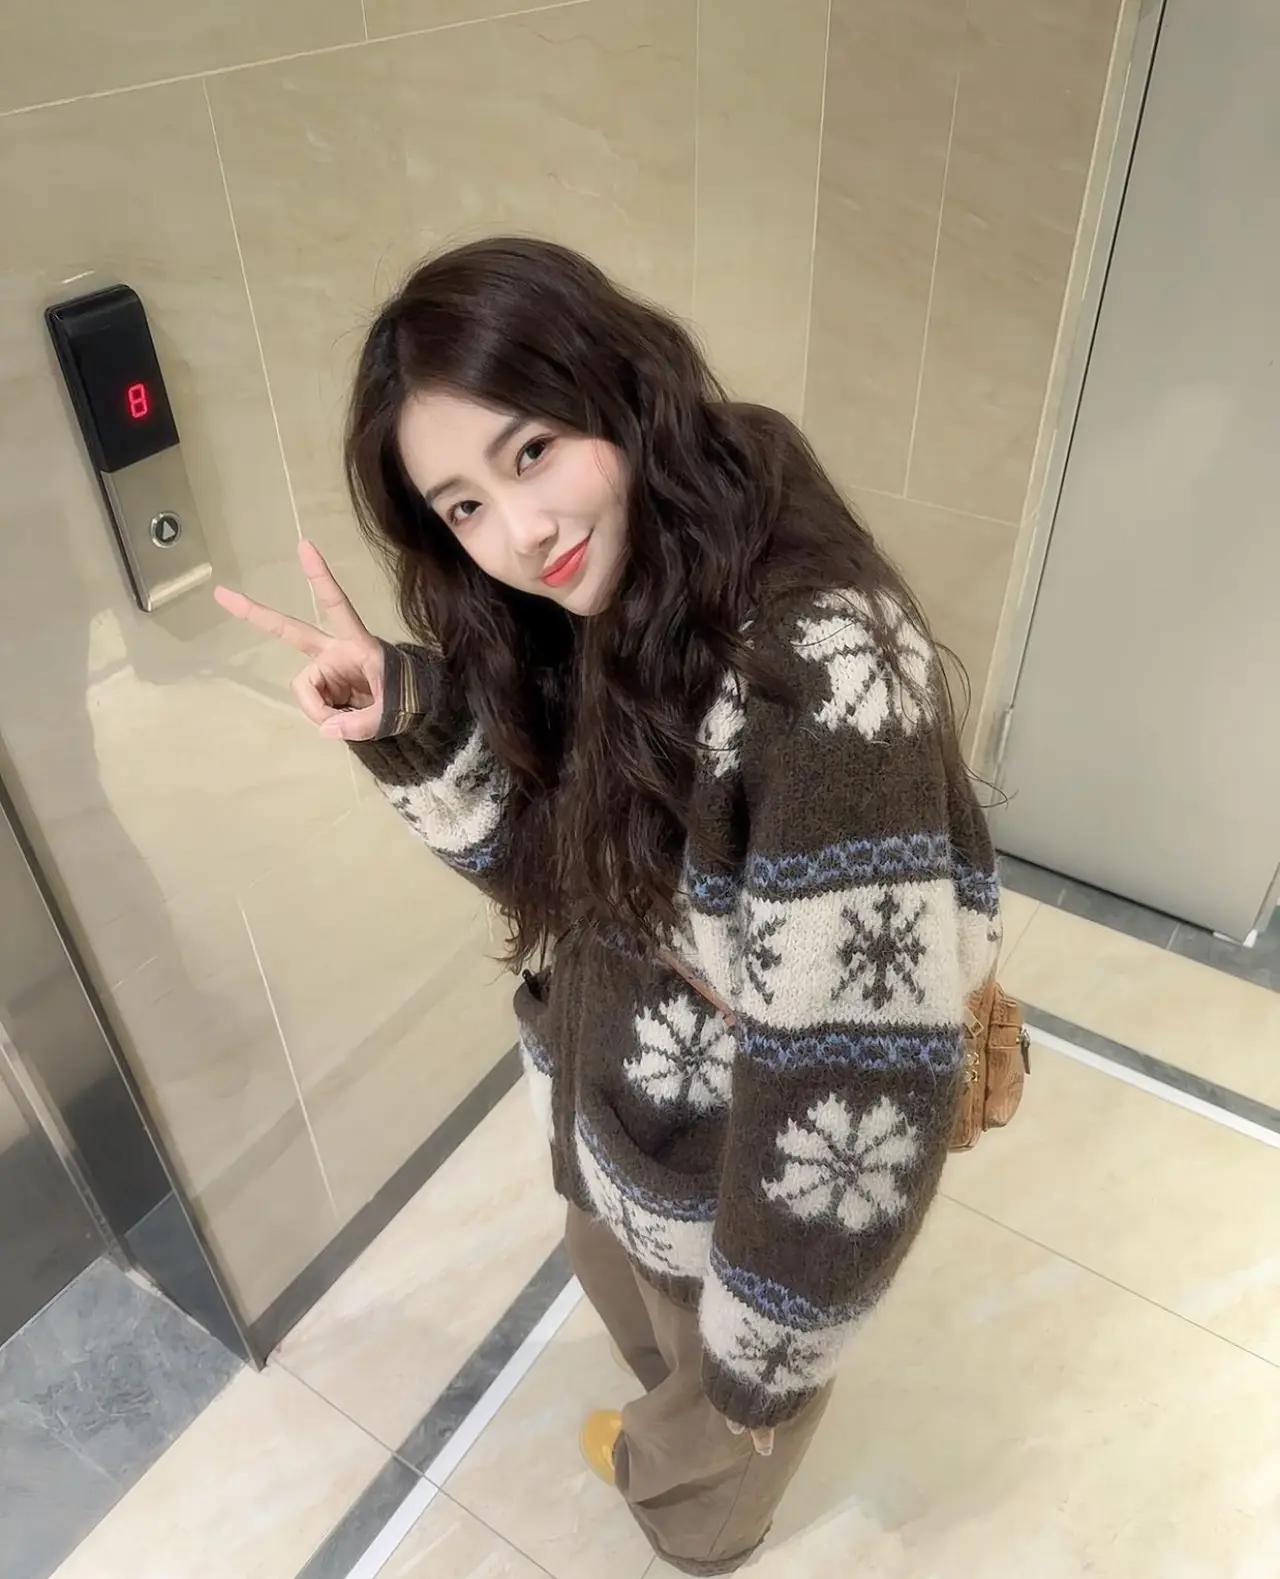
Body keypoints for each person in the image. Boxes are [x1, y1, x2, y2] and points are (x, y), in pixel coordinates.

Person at [214, 236, 1002, 1575]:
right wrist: (412, 712)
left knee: (719, 1423)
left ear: (619, 389)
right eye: (463, 506)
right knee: (647, 1320)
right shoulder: (626, 582)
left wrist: (761, 1366)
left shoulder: (819, 677)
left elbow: (854, 1086)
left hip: (738, 1167)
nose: (520, 534)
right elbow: (563, 875)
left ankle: (694, 1516)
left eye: (532, 452)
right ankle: (680, 1416)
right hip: (630, 1103)